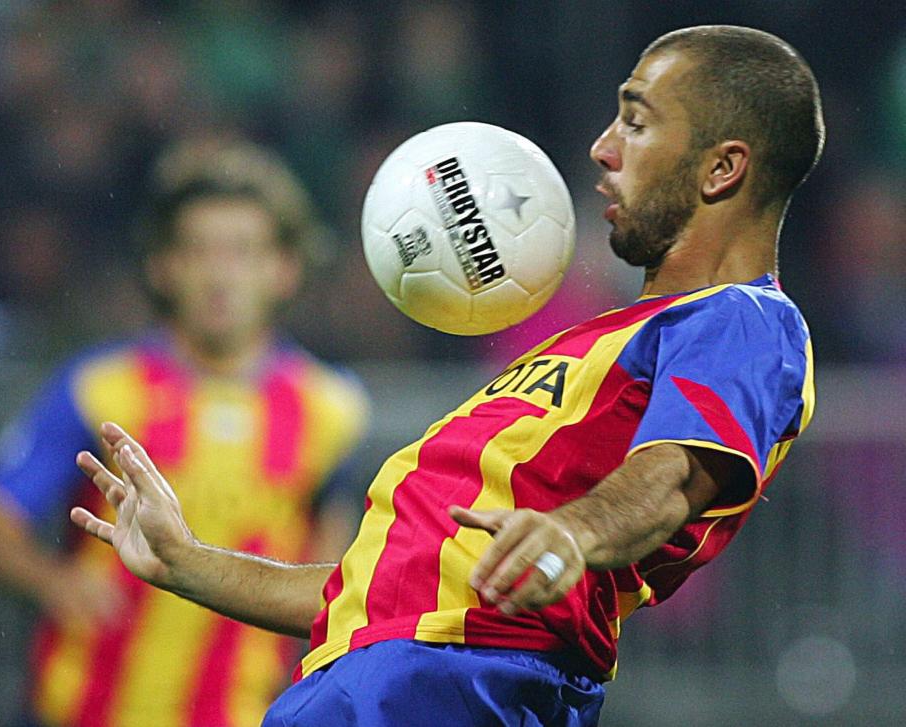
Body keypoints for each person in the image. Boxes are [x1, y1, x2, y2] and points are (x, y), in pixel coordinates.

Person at [69, 25, 823, 727]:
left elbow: (672, 476)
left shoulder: (744, 321)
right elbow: (370, 587)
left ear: (723, 167)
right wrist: (188, 562)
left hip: (450, 680)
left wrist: (572, 532)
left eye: (636, 120)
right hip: (378, 673)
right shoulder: (598, 345)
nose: (602, 147)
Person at [0, 138, 369, 727]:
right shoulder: (100, 388)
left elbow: (330, 582)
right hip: (82, 710)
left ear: (283, 269)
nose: (219, 275)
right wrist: (57, 582)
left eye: (241, 252)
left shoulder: (331, 410)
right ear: (163, 267)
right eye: (199, 251)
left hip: (239, 713)